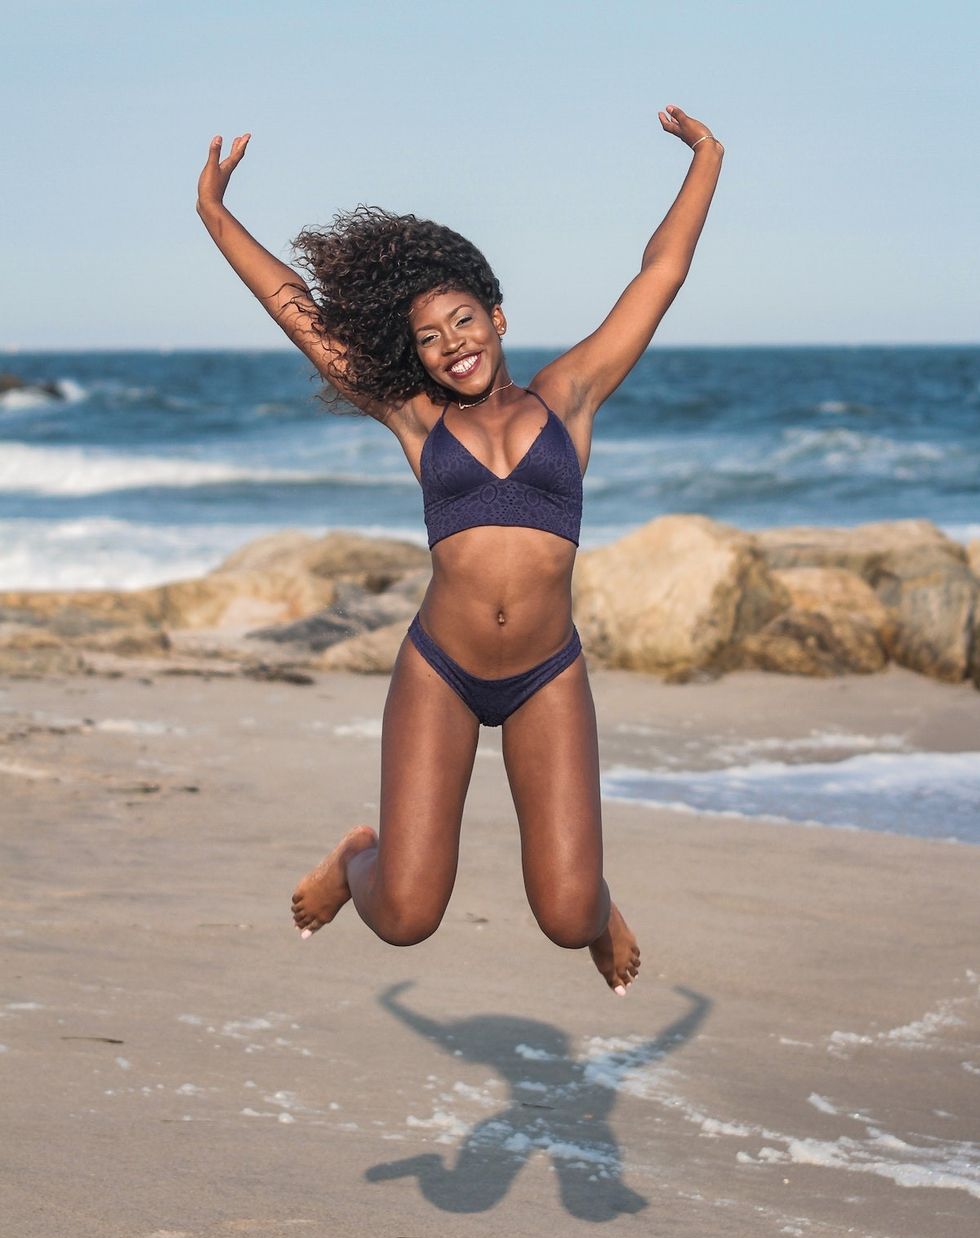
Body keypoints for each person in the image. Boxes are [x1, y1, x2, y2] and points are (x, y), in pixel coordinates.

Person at [196, 106, 724, 995]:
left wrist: (706, 157)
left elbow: (659, 275)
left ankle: (601, 910)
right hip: (441, 669)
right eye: (431, 338)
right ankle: (355, 855)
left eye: (464, 321)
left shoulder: (570, 396)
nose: (452, 346)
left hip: (546, 673)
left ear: (498, 315)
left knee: (568, 915)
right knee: (404, 919)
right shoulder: (417, 418)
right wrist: (215, 213)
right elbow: (304, 319)